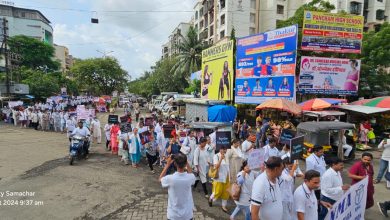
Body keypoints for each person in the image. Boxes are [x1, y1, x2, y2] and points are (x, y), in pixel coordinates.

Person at [159, 153, 196, 220]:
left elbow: (160, 179)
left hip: (173, 215)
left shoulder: (170, 178)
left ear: (175, 164)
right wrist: (186, 161)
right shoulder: (190, 177)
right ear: (185, 164)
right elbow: (190, 172)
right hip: (187, 215)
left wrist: (167, 164)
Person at [209, 146, 230, 213]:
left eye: (225, 149)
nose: (225, 151)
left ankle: (223, 206)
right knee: (217, 192)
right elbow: (216, 166)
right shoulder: (216, 156)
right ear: (220, 149)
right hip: (219, 178)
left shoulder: (227, 156)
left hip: (226, 177)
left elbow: (228, 167)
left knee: (226, 192)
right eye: (223, 149)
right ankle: (211, 199)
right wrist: (221, 159)